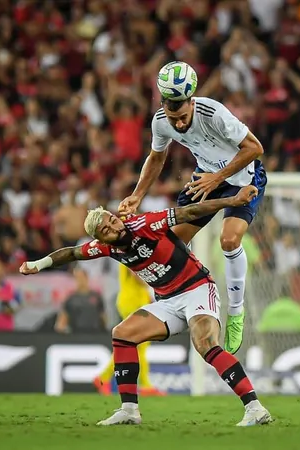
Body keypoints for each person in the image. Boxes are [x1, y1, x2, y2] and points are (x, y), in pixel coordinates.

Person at [20, 185, 272, 427]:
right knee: (122, 334)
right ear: (100, 239)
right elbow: (72, 252)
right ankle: (129, 410)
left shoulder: (146, 223)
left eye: (112, 220)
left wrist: (231, 201)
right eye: (106, 230)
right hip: (168, 300)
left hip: (197, 288)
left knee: (205, 344)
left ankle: (254, 408)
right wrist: (37, 264)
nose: (113, 227)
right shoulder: (105, 248)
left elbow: (189, 212)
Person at [117, 63, 267, 355]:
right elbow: (157, 158)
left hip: (243, 178)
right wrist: (136, 195)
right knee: (168, 245)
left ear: (192, 102)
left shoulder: (214, 114)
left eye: (183, 117)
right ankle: (177, 301)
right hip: (205, 181)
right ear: (163, 106)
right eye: (174, 119)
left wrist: (218, 177)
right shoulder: (161, 121)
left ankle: (236, 311)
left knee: (230, 239)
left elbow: (254, 148)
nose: (179, 124)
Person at [93, 264, 164, 396]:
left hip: (133, 300)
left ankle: (103, 377)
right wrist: (155, 283)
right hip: (133, 301)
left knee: (133, 344)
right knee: (140, 344)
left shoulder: (128, 249)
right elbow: (136, 274)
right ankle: (145, 386)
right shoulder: (133, 250)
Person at [55, 268, 107, 333]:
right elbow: (63, 319)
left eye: (82, 277)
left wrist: (104, 331)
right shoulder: (70, 299)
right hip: (76, 335)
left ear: (86, 278)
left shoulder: (96, 297)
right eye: (77, 278)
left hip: (95, 334)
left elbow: (103, 317)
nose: (80, 280)